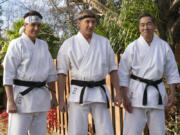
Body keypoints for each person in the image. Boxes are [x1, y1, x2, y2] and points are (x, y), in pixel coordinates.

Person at [57, 9, 122, 135]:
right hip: (78, 93)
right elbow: (61, 74)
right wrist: (61, 99)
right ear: (79, 23)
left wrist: (118, 92)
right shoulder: (69, 44)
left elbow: (113, 69)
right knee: (76, 132)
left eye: (93, 22)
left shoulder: (104, 42)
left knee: (106, 131)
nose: (91, 25)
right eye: (87, 22)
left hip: (99, 92)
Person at [118, 13, 180, 135]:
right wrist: (124, 96)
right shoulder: (132, 47)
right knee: (131, 132)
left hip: (156, 94)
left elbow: (171, 71)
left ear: (154, 26)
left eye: (149, 24)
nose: (146, 27)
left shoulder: (163, 46)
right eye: (142, 25)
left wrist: (172, 93)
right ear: (139, 27)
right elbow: (123, 72)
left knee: (159, 132)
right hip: (136, 94)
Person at [3, 10, 58, 135]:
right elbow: (8, 73)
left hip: (40, 98)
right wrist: (10, 100)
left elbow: (50, 73)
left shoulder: (43, 45)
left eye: (38, 25)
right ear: (25, 25)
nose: (36, 28)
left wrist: (53, 96)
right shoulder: (16, 44)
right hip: (21, 99)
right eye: (33, 24)